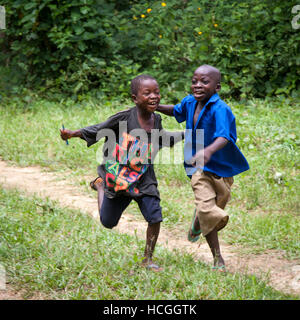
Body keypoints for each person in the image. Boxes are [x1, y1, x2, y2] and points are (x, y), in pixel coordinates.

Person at [60, 74, 183, 271]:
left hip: (144, 177)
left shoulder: (157, 119)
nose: (154, 96)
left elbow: (162, 138)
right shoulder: (124, 117)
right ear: (135, 98)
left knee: (155, 217)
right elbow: (99, 129)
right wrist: (73, 133)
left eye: (157, 92)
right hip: (119, 177)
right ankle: (100, 185)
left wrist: (186, 135)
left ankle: (148, 259)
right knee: (108, 222)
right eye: (147, 93)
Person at [157, 65, 249, 271]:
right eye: (194, 81)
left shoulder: (220, 109)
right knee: (210, 213)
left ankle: (199, 218)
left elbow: (225, 136)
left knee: (211, 210)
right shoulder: (190, 103)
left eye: (204, 82)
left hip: (222, 169)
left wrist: (208, 151)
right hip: (197, 167)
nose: (197, 85)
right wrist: (154, 106)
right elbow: (176, 111)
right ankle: (218, 258)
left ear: (217, 87)